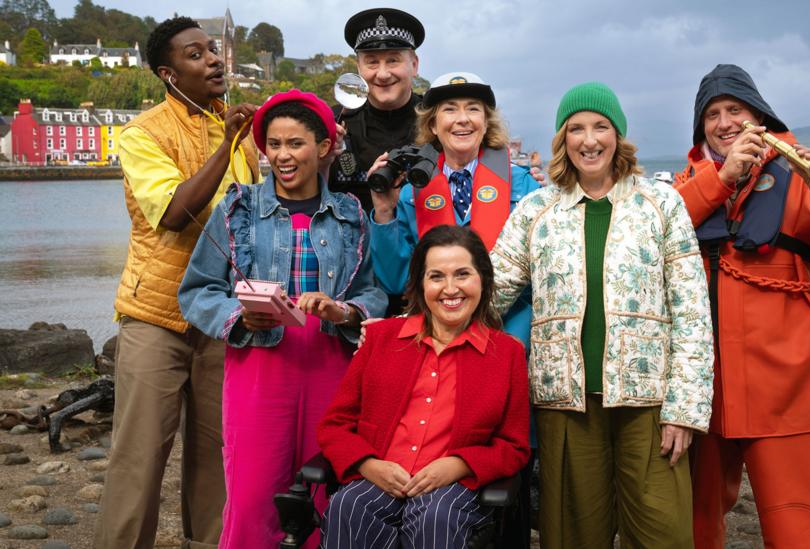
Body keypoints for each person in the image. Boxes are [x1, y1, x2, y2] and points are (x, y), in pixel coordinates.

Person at [490, 82, 714, 548]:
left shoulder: (661, 204)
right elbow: (489, 291)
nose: (589, 140)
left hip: (649, 402)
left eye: (600, 127)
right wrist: (409, 327)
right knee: (572, 534)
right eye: (575, 129)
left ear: (618, 135)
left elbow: (692, 311)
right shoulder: (536, 209)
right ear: (561, 139)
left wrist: (685, 411)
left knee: (662, 531)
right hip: (566, 401)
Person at [672, 64, 810, 548]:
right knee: (689, 524)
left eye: (735, 110)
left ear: (758, 116)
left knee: (804, 523)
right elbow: (651, 239)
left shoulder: (800, 175)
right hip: (701, 386)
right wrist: (721, 180)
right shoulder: (685, 185)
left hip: (786, 382)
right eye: (712, 115)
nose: (724, 123)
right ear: (700, 128)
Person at [177, 89, 387, 548]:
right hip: (258, 364)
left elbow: (373, 291)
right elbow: (196, 291)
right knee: (255, 495)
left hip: (331, 363)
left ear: (324, 147)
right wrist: (239, 317)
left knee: (326, 492)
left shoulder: (351, 213)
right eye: (273, 145)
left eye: (295, 144)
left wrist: (345, 310)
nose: (282, 156)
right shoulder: (237, 208)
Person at [95, 16, 258, 549]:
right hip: (155, 317)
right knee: (138, 459)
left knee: (218, 458)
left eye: (213, 50)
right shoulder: (142, 133)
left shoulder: (243, 133)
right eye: (195, 54)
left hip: (221, 316)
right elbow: (171, 212)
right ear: (168, 73)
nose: (213, 59)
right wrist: (227, 144)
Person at [317, 224, 531, 549]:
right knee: (349, 505)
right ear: (420, 284)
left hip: (452, 488)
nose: (450, 289)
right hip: (380, 474)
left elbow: (514, 447)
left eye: (462, 274)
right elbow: (334, 426)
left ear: (483, 281)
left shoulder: (507, 354)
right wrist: (369, 465)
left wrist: (458, 464)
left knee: (437, 516)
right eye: (436, 277)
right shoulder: (381, 339)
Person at [369, 71, 539, 346]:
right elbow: (396, 280)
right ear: (434, 125)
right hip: (437, 339)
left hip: (506, 337)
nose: (462, 119)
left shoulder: (525, 187)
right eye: (450, 110)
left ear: (486, 123)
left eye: (473, 109)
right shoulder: (412, 192)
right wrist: (385, 211)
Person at [328, 7, 425, 213]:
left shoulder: (437, 120)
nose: (382, 74)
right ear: (359, 68)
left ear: (414, 65)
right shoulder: (332, 122)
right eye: (372, 62)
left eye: (393, 60)